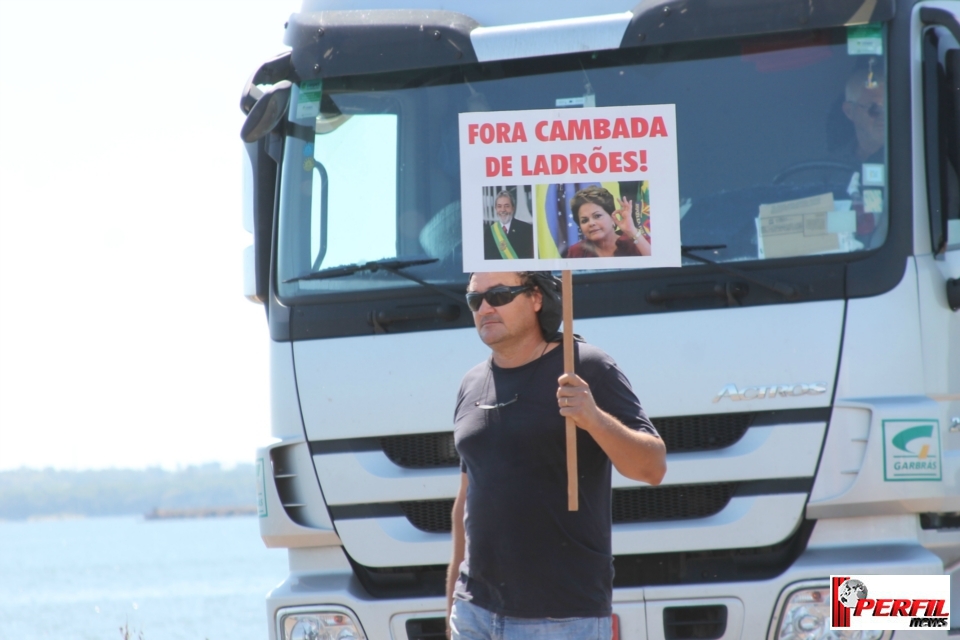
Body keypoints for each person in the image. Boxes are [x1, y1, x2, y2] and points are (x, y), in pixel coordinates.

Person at [447, 271, 666, 640]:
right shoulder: (470, 383)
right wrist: (454, 603)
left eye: (499, 295)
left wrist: (593, 418)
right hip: (474, 613)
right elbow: (466, 501)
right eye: (474, 299)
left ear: (536, 298)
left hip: (562, 618)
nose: (484, 307)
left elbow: (652, 467)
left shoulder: (585, 366)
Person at [563, 186, 651, 258]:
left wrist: (631, 230)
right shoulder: (576, 252)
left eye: (597, 216)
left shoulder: (637, 243)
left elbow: (658, 266)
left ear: (612, 217)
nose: (591, 223)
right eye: (584, 220)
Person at [483, 190, 534, 260]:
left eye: (507, 206)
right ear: (495, 209)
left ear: (513, 208)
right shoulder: (488, 233)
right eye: (499, 206)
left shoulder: (527, 229)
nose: (503, 210)